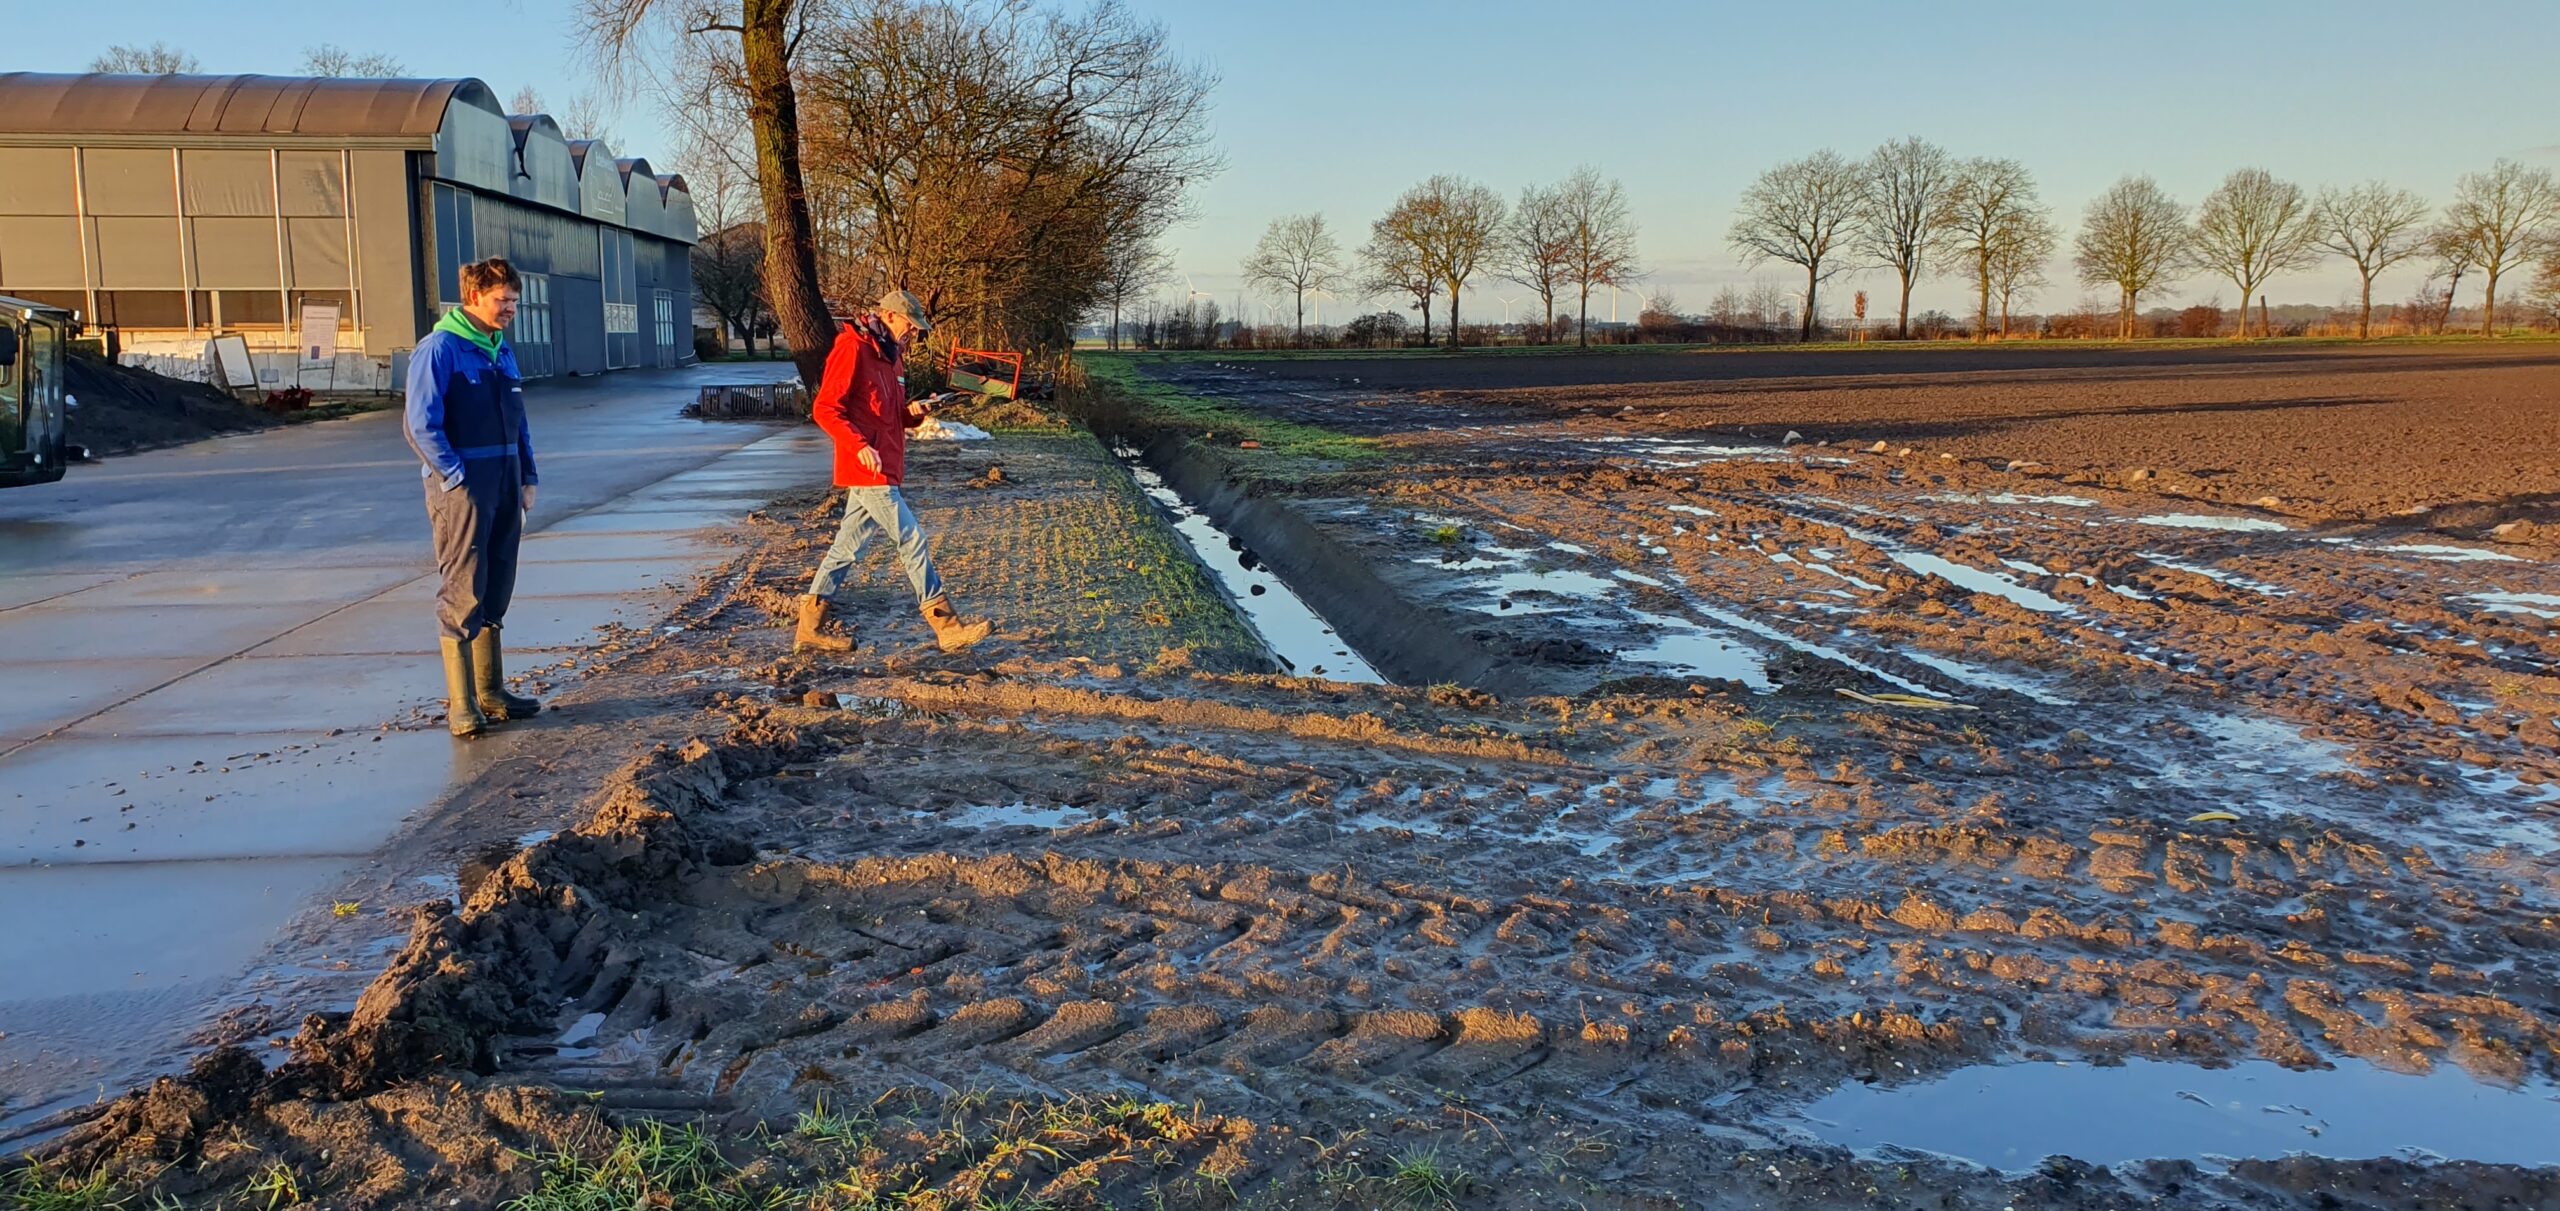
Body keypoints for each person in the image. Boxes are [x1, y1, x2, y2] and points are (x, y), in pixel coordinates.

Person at [797, 288, 992, 654]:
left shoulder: (893, 358)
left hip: (885, 464)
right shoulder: (852, 348)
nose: (913, 333)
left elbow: (892, 416)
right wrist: (857, 446)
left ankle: (810, 626)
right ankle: (946, 626)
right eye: (909, 325)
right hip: (867, 469)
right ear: (888, 317)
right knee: (912, 538)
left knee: (844, 550)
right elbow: (825, 409)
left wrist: (916, 411)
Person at [404, 257, 542, 738]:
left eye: (514, 302)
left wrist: (527, 476)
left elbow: (519, 421)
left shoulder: (501, 351)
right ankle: (462, 704)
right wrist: (454, 476)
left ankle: (492, 692)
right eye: (502, 300)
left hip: (505, 479)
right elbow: (420, 423)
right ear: (474, 297)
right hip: (464, 485)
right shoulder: (441, 349)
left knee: (498, 580)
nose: (510, 309)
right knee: (464, 583)